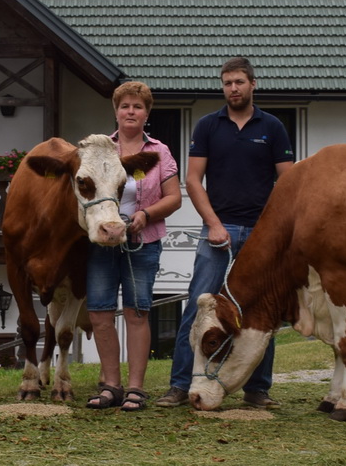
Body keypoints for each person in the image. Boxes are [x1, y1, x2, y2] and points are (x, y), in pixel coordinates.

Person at [156, 57, 294, 408]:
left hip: (262, 234)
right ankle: (179, 385)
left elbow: (289, 182)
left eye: (239, 82)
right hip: (218, 230)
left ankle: (257, 390)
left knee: (262, 311)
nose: (233, 88)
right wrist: (214, 224)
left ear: (253, 84)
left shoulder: (273, 127)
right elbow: (192, 180)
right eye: (227, 83)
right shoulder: (207, 126)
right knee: (198, 305)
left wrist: (272, 229)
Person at [85, 81, 181, 412]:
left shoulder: (159, 152)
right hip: (101, 243)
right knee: (99, 312)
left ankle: (136, 388)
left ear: (146, 113)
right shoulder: (99, 150)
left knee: (137, 312)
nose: (130, 111)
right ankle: (111, 384)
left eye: (137, 106)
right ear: (116, 111)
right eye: (125, 106)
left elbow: (174, 198)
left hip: (142, 242)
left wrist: (146, 213)